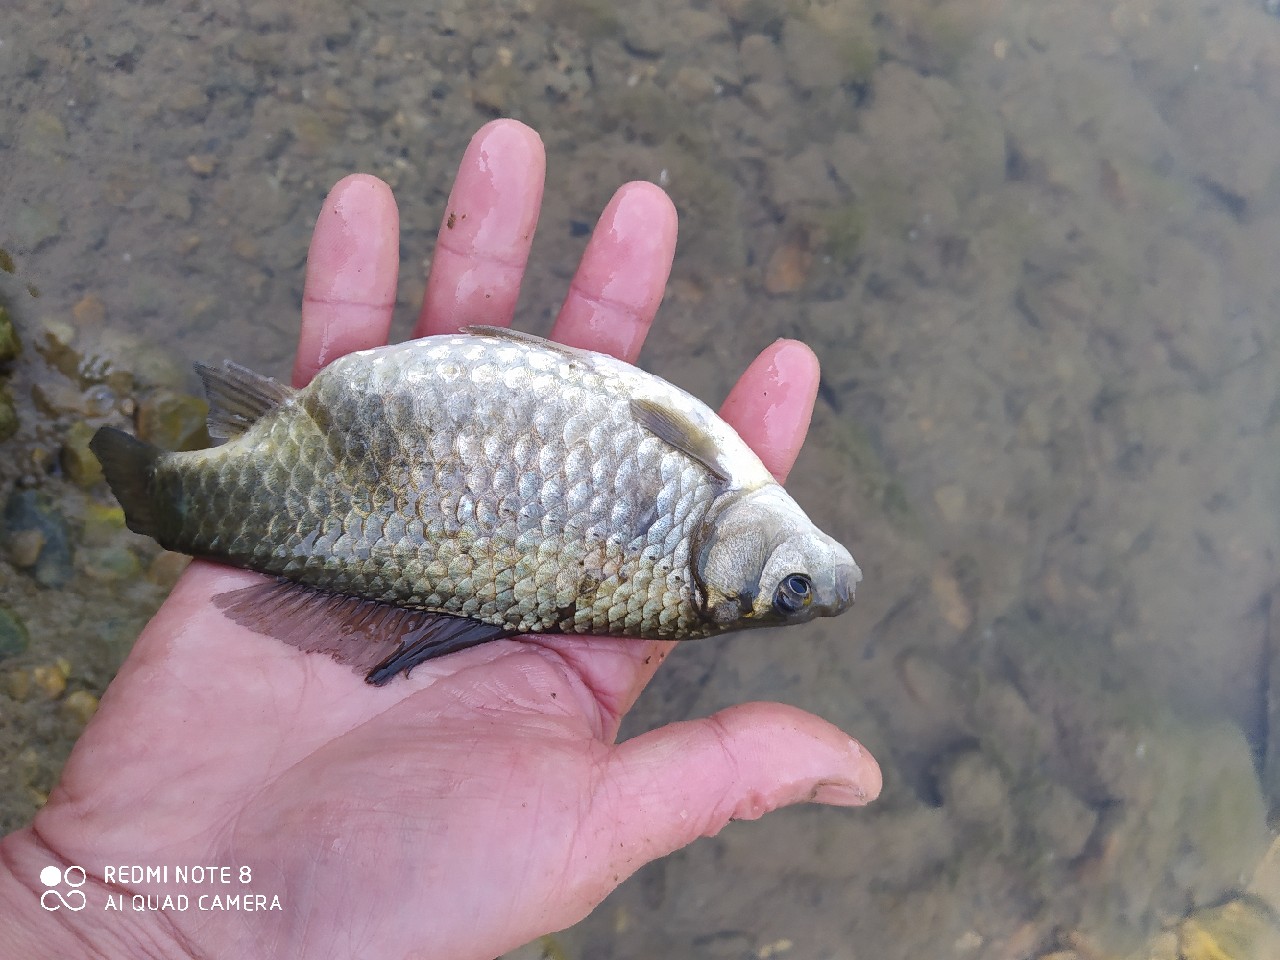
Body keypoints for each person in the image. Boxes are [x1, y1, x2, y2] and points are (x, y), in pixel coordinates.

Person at [0, 119, 881, 959]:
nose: (806, 582)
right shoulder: (720, 496)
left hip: (397, 448)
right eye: (793, 590)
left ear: (727, 579)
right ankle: (178, 495)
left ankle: (170, 497)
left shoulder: (714, 483)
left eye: (790, 592)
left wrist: (106, 925)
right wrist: (107, 923)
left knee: (217, 482)